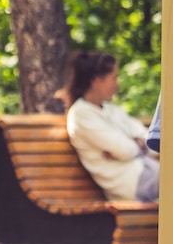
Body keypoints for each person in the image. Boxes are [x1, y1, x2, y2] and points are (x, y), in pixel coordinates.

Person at [60, 51, 159, 202]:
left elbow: (147, 138)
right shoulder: (81, 115)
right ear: (97, 81)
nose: (117, 84)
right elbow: (125, 150)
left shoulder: (111, 109)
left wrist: (136, 145)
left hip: (148, 171)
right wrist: (136, 144)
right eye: (114, 78)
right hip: (132, 183)